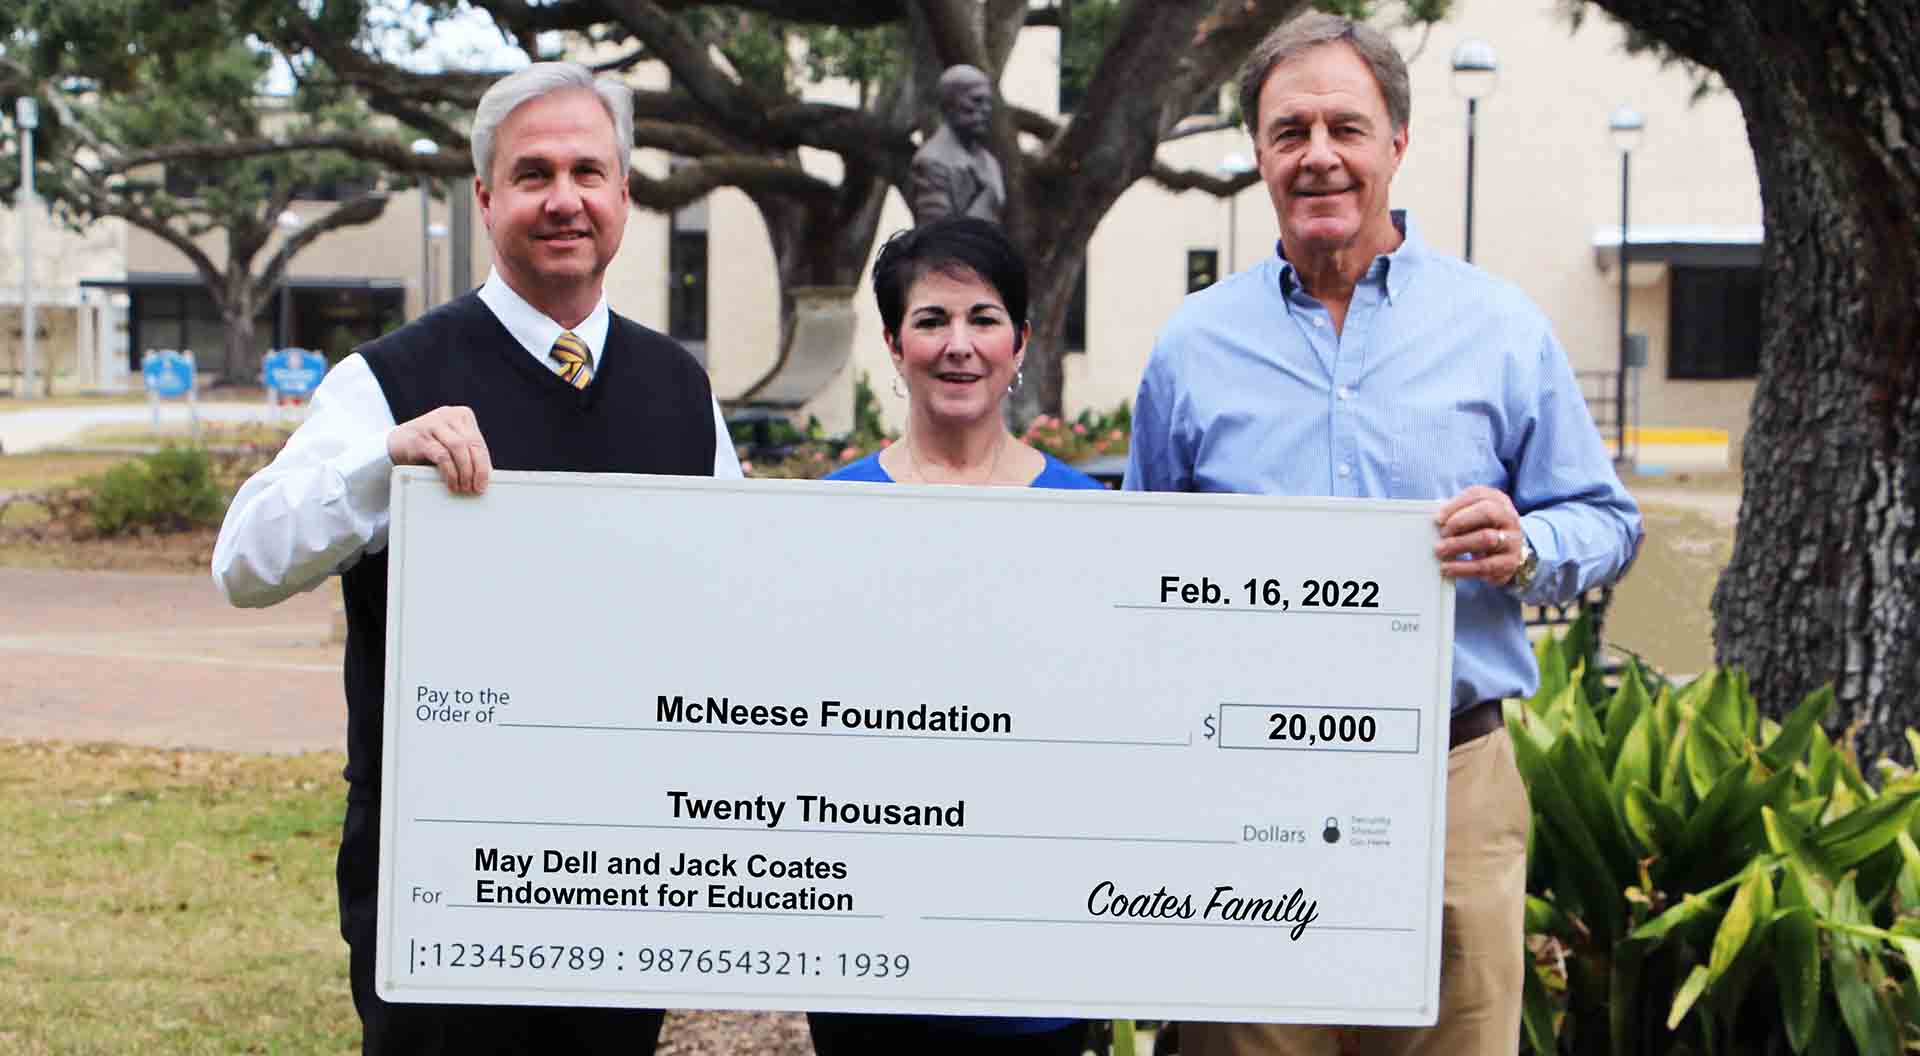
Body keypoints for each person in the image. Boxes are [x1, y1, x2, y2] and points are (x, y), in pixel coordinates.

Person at [1124, 13, 1641, 1056]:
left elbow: (1608, 519)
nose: (1318, 154)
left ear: (1397, 144)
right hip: (1247, 781)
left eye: (1345, 127)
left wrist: (1529, 548)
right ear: (1261, 156)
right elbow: (1141, 571)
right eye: (1289, 130)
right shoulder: (1192, 348)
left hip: (1451, 782)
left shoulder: (1499, 329)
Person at [212, 62, 741, 1055]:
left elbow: (734, 611)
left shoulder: (682, 391)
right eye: (533, 173)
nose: (564, 198)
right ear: (486, 197)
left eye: (589, 171)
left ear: (625, 195)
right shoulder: (387, 383)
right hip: (443, 884)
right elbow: (244, 561)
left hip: (620, 878)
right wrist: (382, 467)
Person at [806, 216, 1097, 1055]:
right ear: (895, 345)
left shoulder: (1097, 520)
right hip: (864, 944)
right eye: (932, 321)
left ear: (1022, 341)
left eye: (983, 319)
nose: (958, 345)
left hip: (1033, 946)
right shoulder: (824, 515)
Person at [908, 65, 1007, 226]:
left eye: (988, 102)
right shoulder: (931, 161)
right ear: (949, 103)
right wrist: (987, 198)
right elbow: (938, 236)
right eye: (976, 100)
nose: (986, 109)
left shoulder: (989, 161)